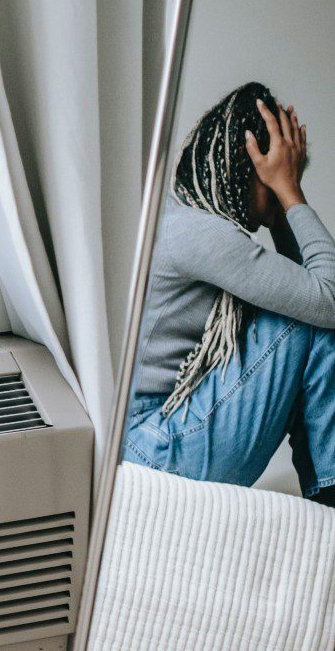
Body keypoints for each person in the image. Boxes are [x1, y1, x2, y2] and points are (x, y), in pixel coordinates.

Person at [122, 81, 335, 506]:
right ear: (250, 165)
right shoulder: (199, 234)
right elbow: (327, 299)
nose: (281, 190)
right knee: (313, 323)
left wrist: (281, 206)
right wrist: (291, 195)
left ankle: (328, 495)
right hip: (152, 451)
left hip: (147, 440)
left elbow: (308, 292)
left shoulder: (183, 214)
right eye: (276, 176)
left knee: (309, 318)